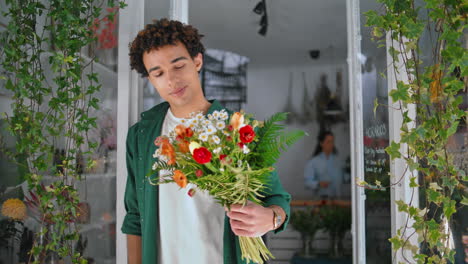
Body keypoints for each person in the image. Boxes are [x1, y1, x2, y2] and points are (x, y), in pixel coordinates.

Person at [121, 18, 291, 264]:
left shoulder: (241, 130)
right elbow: (135, 217)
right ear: (150, 79)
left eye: (178, 66)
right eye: (158, 73)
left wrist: (271, 218)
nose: (171, 80)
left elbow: (278, 199)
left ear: (197, 61)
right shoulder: (140, 137)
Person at [304, 131, 343, 198]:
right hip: (321, 201)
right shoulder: (313, 162)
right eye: (328, 142)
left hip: (338, 200)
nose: (331, 144)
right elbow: (307, 182)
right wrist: (318, 184)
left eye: (332, 142)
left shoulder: (338, 161)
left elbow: (344, 178)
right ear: (321, 143)